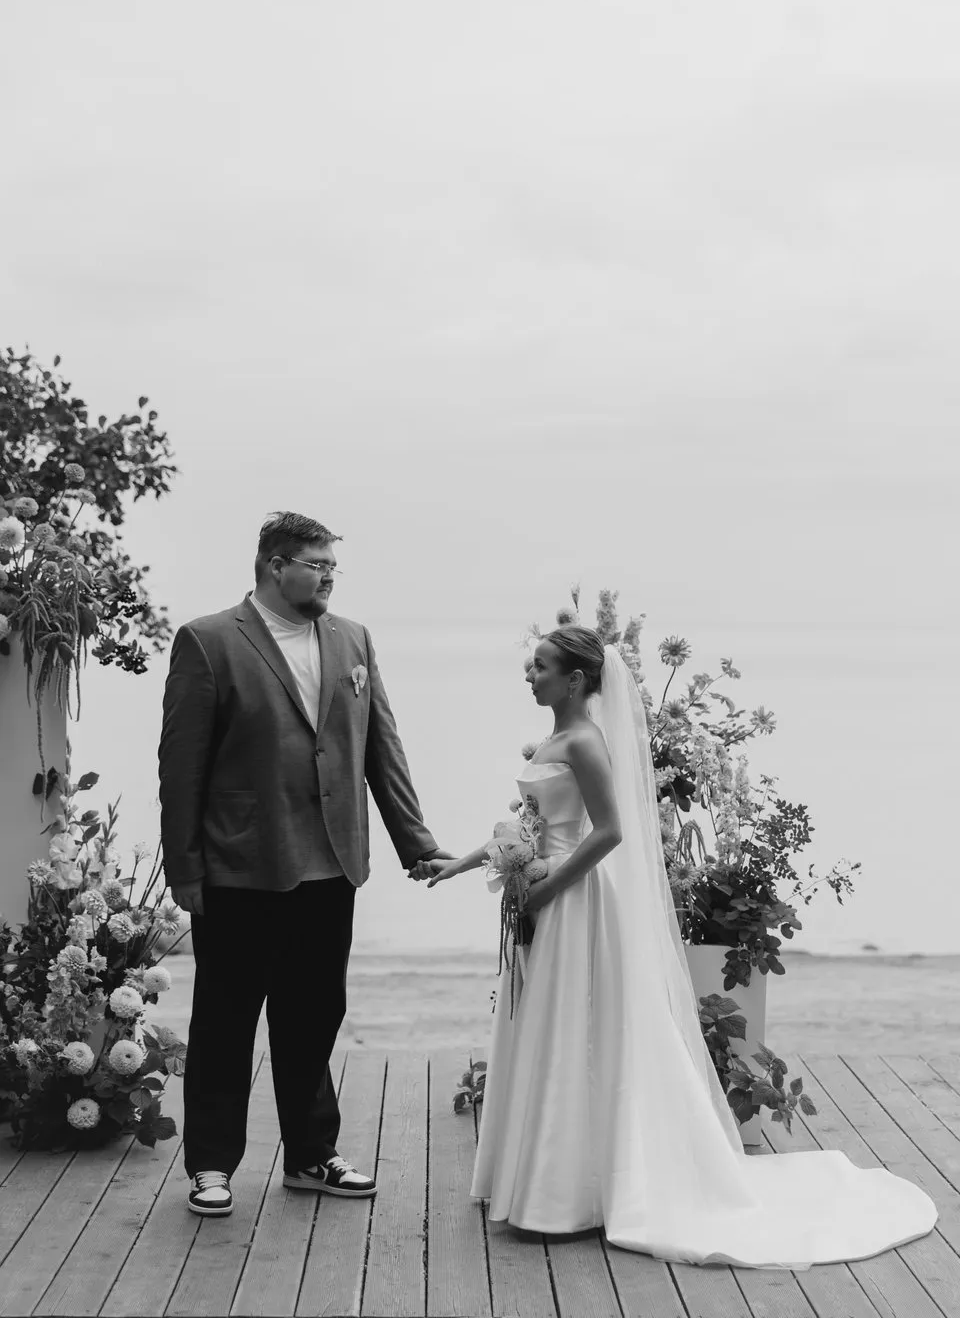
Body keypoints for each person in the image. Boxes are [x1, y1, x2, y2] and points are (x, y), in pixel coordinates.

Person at [420, 623, 937, 1266]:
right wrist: (463, 863)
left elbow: (608, 833)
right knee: (542, 1025)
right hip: (543, 898)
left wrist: (548, 887)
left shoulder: (585, 741)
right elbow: (527, 825)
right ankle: (533, 1176)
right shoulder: (552, 739)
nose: (530, 674)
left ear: (576, 679)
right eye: (532, 665)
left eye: (541, 666)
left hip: (573, 901)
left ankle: (564, 1194)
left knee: (573, 1026)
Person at [158, 510, 449, 1217]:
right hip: (239, 866)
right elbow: (181, 766)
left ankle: (313, 1156)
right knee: (226, 1020)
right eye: (317, 566)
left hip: (331, 865)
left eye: (332, 568)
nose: (328, 579)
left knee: (313, 1017)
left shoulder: (352, 639)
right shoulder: (208, 640)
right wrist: (184, 868)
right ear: (274, 566)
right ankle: (211, 1165)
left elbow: (382, 746)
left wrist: (414, 841)